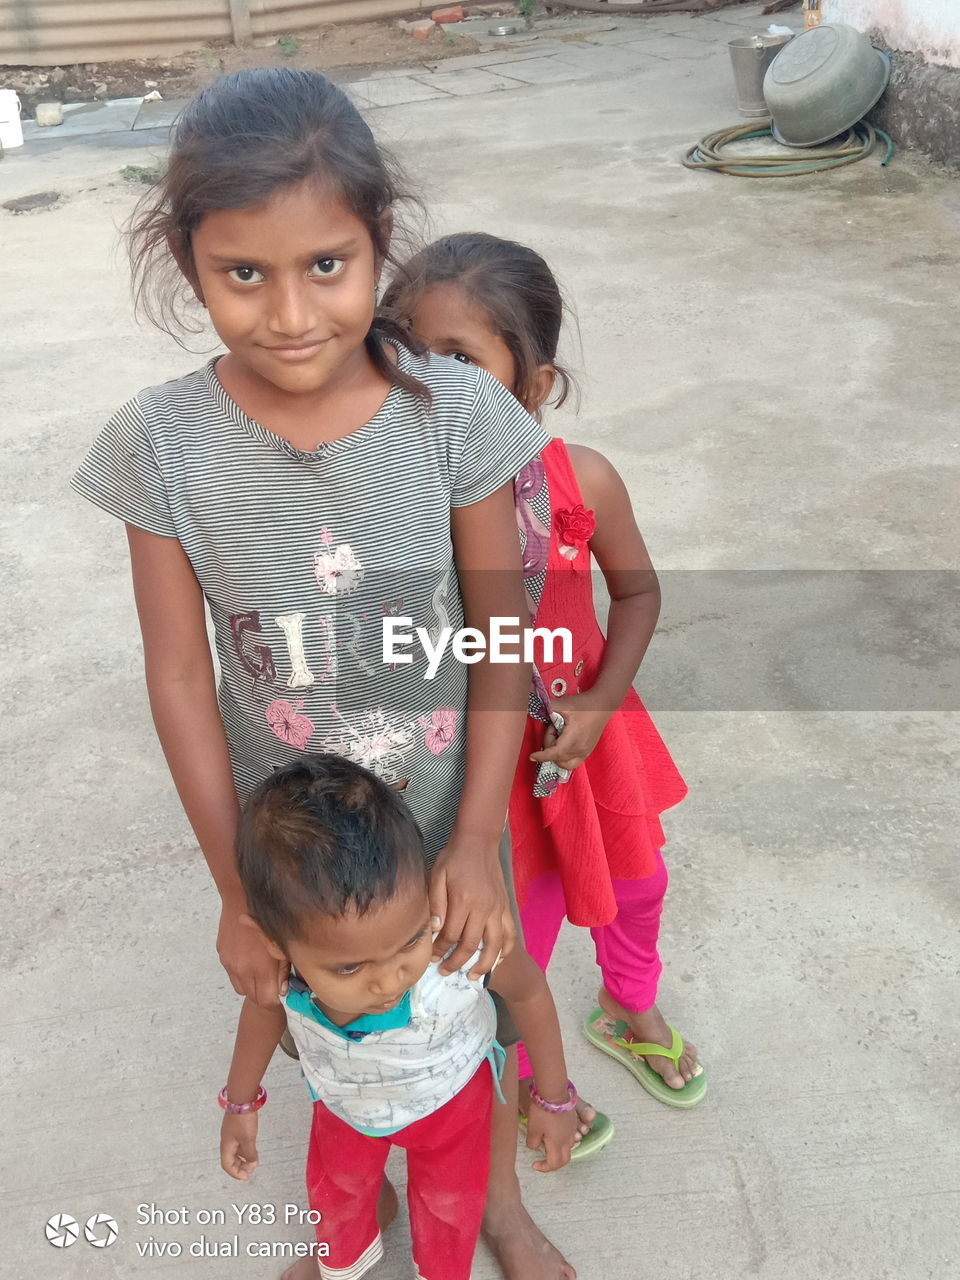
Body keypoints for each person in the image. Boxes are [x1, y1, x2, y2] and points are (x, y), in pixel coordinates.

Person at [71, 70, 576, 1277]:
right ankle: (360, 1201)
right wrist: (234, 890)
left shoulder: (453, 414)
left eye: (328, 267)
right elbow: (182, 678)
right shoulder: (160, 444)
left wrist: (470, 846)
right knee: (330, 1016)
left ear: (377, 246)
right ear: (187, 262)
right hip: (287, 838)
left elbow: (503, 629)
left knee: (472, 1009)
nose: (291, 313)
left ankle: (493, 1199)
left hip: (447, 814)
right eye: (244, 273)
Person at [383, 232, 707, 1122]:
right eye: (407, 351)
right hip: (482, 765)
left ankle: (627, 1002)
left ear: (534, 386)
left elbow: (637, 593)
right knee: (506, 926)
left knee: (638, 885)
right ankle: (524, 1067)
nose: (427, 379)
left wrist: (602, 704)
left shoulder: (582, 481)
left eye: (459, 357)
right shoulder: (395, 501)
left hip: (590, 738)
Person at [220, 753, 580, 1280]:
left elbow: (527, 995)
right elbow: (262, 1012)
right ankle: (352, 1245)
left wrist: (552, 1097)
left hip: (454, 1118)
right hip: (344, 1114)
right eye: (349, 966)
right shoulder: (285, 975)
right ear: (279, 946)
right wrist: (240, 1103)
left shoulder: (460, 944)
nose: (389, 980)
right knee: (337, 1194)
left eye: (409, 941)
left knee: (448, 1206)